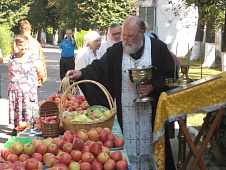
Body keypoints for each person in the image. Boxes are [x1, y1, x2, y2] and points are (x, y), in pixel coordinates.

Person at [66, 16, 176, 169]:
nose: (126, 40)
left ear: (142, 32)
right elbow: (99, 68)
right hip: (126, 115)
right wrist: (81, 73)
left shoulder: (158, 49)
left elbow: (170, 77)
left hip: (153, 116)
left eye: (130, 36)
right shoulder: (117, 51)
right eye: (123, 36)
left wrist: (152, 86)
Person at [8, 35, 44, 135]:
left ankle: (28, 134)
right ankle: (16, 133)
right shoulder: (12, 57)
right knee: (17, 118)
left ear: (28, 44)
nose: (23, 47)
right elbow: (10, 72)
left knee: (29, 117)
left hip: (28, 94)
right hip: (15, 93)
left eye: (25, 44)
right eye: (20, 45)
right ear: (16, 46)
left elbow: (41, 73)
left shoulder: (33, 58)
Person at [12, 20, 47, 90]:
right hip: (34, 80)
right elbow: (41, 61)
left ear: (20, 29)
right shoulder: (36, 43)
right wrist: (42, 77)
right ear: (30, 29)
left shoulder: (17, 43)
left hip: (19, 81)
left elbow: (13, 60)